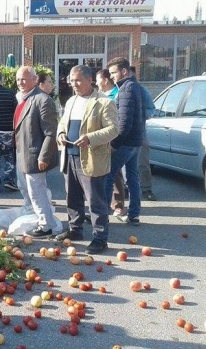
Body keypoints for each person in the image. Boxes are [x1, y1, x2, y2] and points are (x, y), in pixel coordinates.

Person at [54, 65, 118, 254]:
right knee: (72, 197)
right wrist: (61, 134)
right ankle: (75, 230)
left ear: (90, 80)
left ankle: (100, 238)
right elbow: (62, 123)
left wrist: (90, 138)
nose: (74, 84)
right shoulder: (72, 101)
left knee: (95, 200)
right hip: (70, 156)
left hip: (92, 158)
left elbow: (113, 129)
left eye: (78, 80)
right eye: (71, 80)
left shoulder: (104, 102)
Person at [14, 66, 59, 238]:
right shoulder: (22, 99)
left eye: (24, 79)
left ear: (34, 80)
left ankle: (46, 225)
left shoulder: (42, 100)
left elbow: (50, 132)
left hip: (35, 155)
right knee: (26, 189)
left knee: (37, 191)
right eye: (18, 79)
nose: (20, 82)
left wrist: (44, 156)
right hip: (22, 153)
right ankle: (39, 219)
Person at [105, 57, 146, 226]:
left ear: (124, 71)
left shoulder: (127, 89)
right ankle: (134, 215)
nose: (111, 77)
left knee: (108, 175)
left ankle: (100, 215)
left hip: (126, 142)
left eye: (114, 72)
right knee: (132, 178)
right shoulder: (134, 86)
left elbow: (124, 121)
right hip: (136, 141)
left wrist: (114, 144)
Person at [96, 68, 127, 219]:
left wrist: (115, 141)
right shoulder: (99, 96)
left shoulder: (118, 94)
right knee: (103, 173)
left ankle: (119, 205)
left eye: (98, 80)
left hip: (114, 139)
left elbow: (120, 120)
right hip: (101, 139)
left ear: (105, 80)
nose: (96, 83)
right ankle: (105, 205)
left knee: (114, 173)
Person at [130, 65, 158, 202]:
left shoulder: (142, 91)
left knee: (143, 163)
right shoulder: (117, 90)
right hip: (120, 133)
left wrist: (140, 115)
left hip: (140, 132)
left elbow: (152, 109)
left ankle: (146, 189)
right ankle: (122, 190)